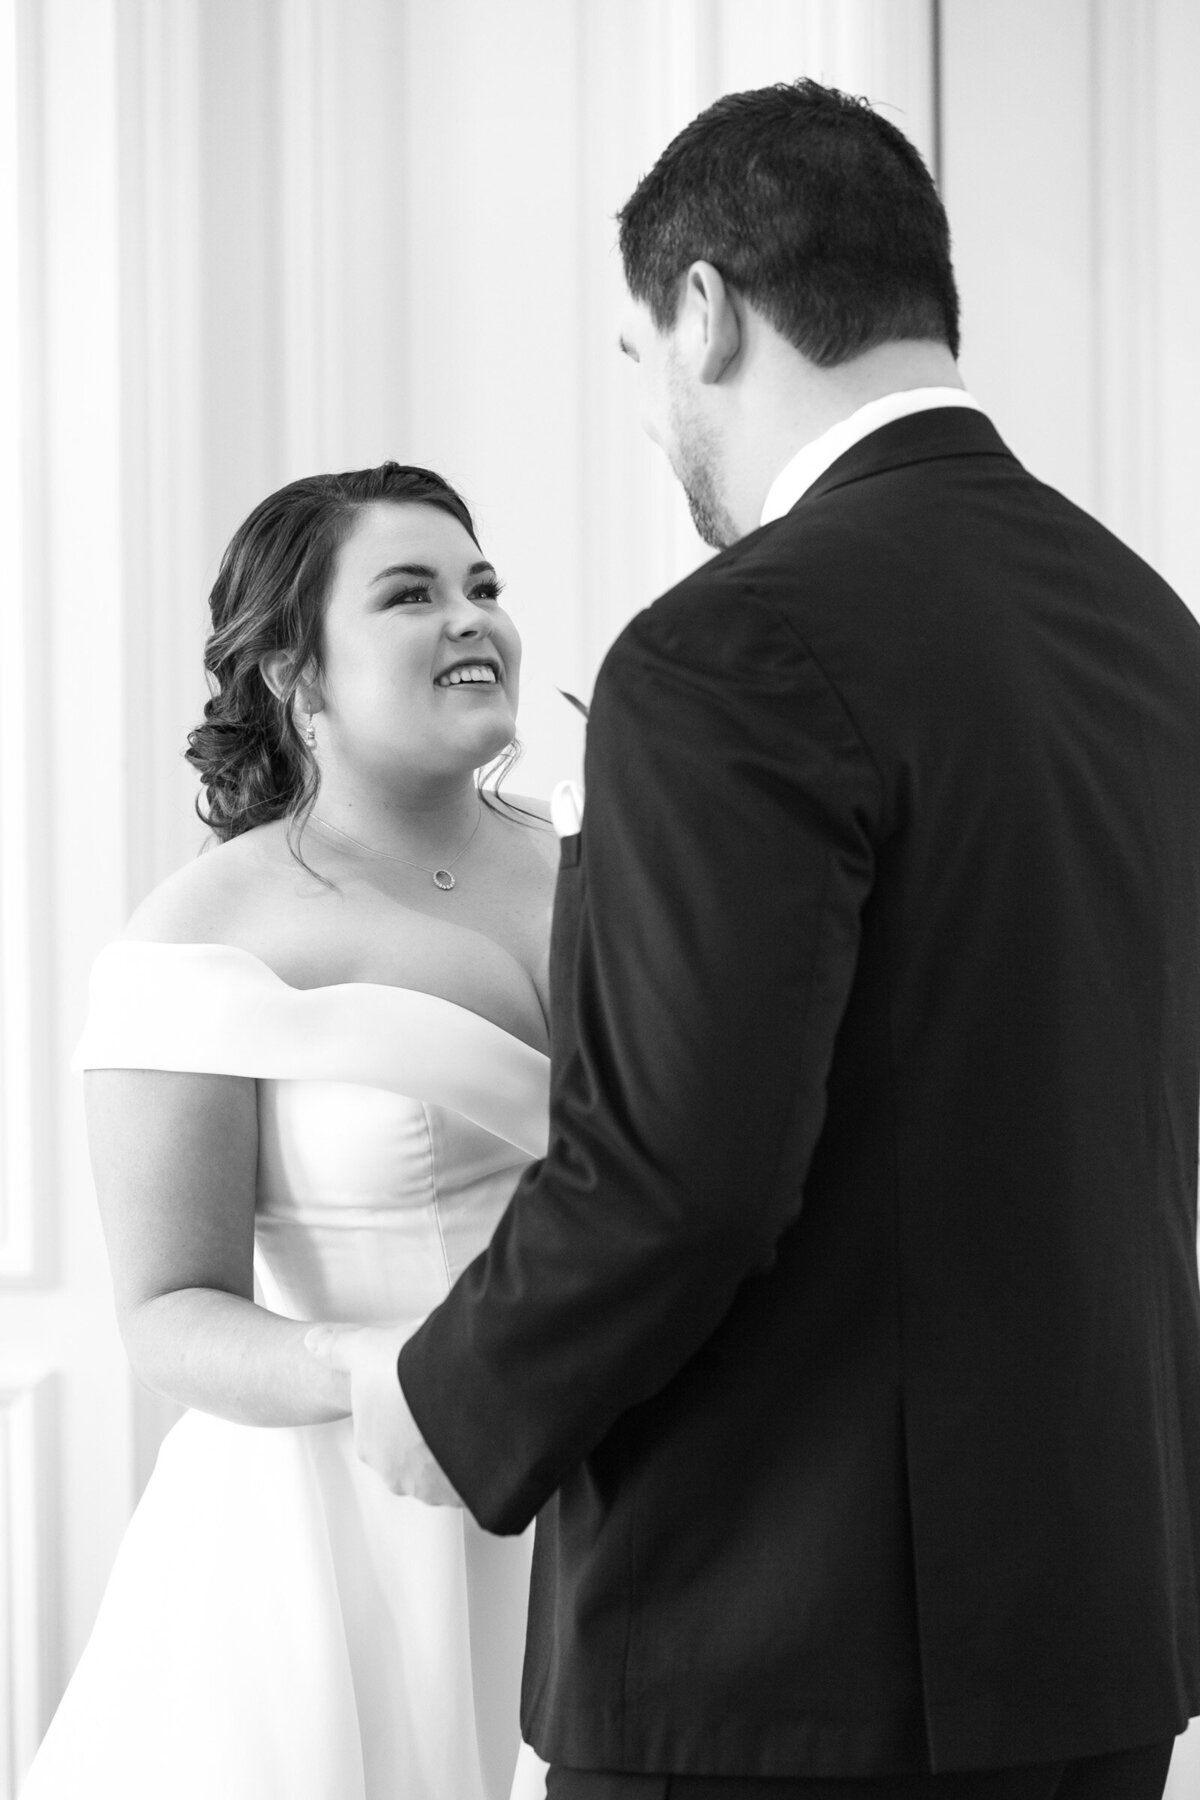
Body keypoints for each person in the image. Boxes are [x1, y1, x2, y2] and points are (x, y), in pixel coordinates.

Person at [308, 80, 1200, 1800]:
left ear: (705, 307)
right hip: (1091, 1630)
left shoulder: (732, 647)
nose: (650, 416)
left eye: (635, 359)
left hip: (780, 1665)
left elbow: (684, 1175)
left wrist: (450, 1396)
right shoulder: (1142, 626)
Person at [21, 462, 557, 1800]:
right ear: (289, 671)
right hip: (347, 1532)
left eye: (482, 586)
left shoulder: (616, 860)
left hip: (614, 1508)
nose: (471, 618)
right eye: (410, 594)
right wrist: (381, 1372)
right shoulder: (200, 938)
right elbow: (168, 1313)